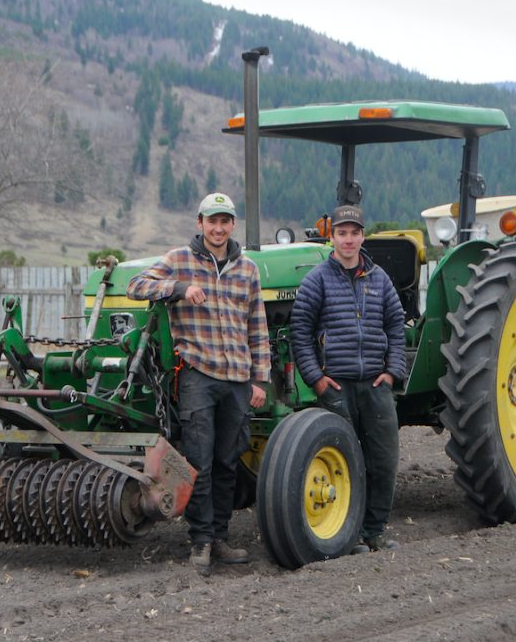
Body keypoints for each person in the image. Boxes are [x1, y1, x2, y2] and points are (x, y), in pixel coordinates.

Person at [127, 192, 271, 575]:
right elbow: (136, 285)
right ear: (200, 223)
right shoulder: (180, 260)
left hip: (237, 379)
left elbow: (257, 326)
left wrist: (260, 378)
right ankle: (201, 541)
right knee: (199, 462)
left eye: (224, 221)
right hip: (198, 376)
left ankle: (220, 537)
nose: (218, 228)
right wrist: (178, 289)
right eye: (212, 221)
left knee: (227, 462)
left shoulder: (247, 269)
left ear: (232, 225)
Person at [290, 204, 406, 553]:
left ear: (362, 237)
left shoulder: (379, 279)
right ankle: (350, 535)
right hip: (336, 386)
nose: (349, 239)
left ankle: (375, 531)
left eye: (354, 233)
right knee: (346, 462)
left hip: (375, 384)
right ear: (332, 237)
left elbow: (396, 326)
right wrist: (316, 379)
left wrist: (391, 372)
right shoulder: (317, 280)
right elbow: (300, 332)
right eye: (342, 233)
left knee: (383, 460)